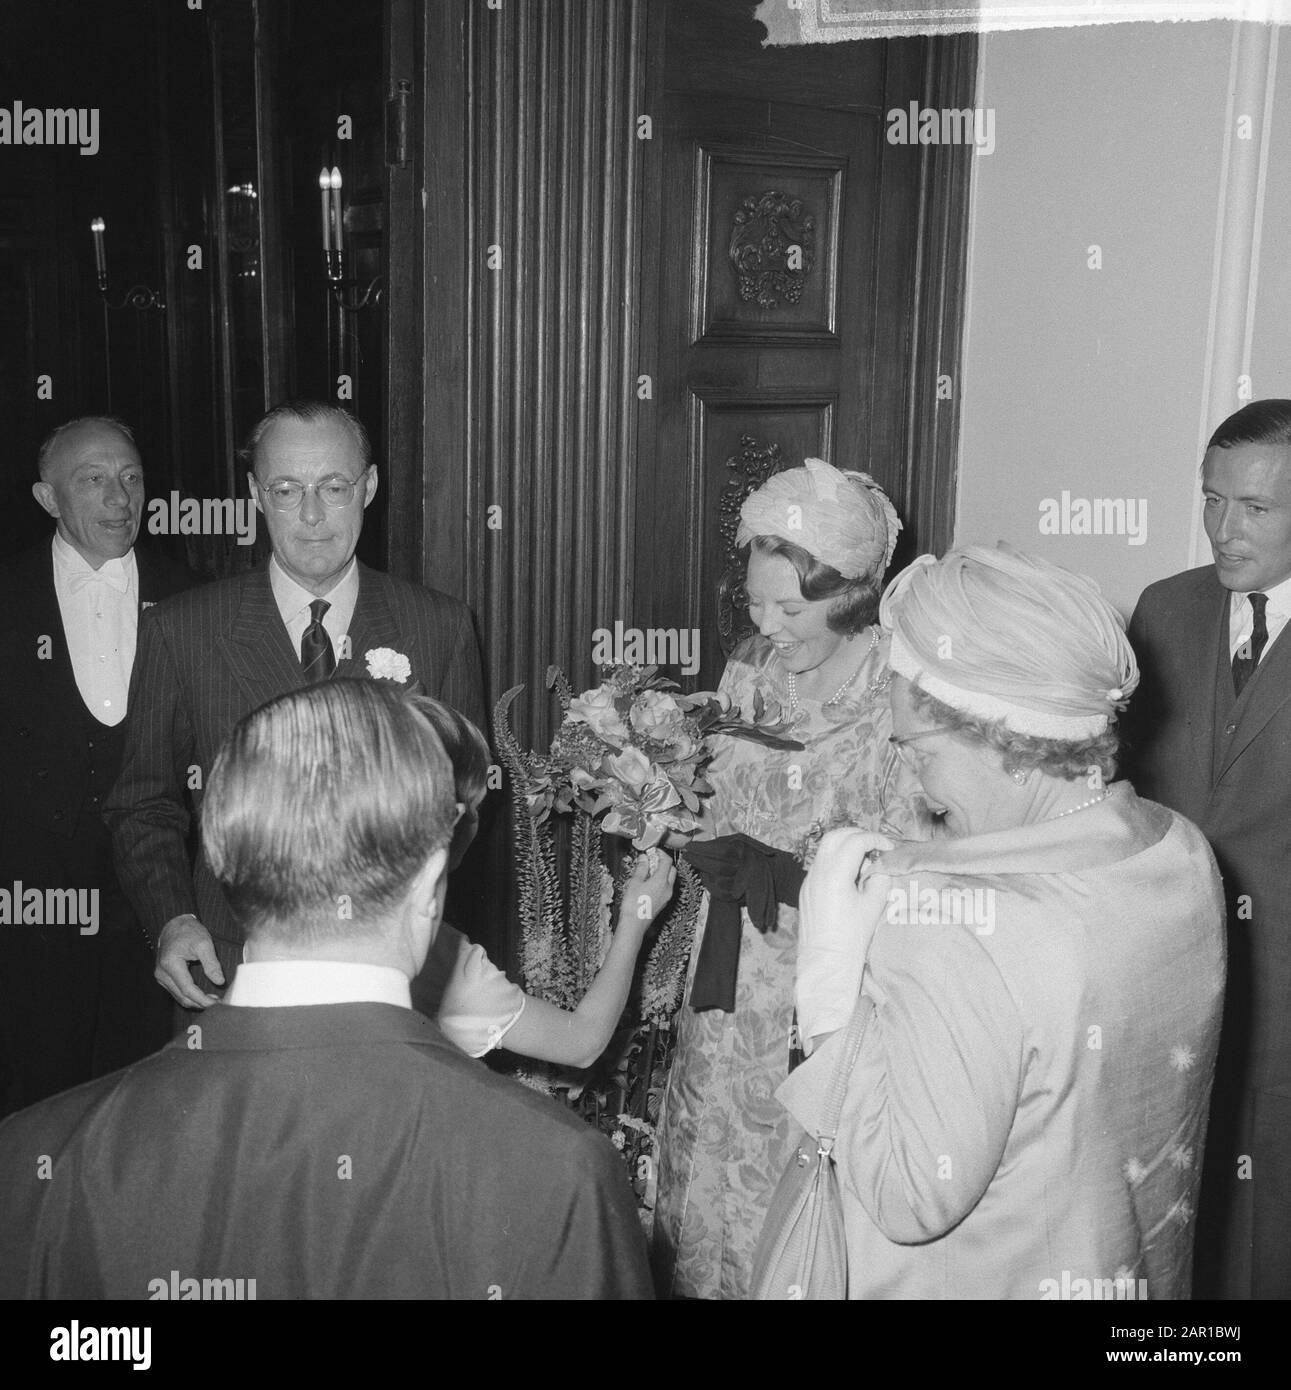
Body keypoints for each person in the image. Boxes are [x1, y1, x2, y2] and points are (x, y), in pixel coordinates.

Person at [0, 678, 651, 1299]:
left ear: (226, 865)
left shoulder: (34, 1156)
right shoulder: (555, 1172)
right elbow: (580, 1042)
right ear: (427, 888)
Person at [782, 545, 1226, 1300]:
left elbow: (904, 1197)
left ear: (1006, 745)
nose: (904, 776)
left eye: (915, 749)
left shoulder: (953, 929)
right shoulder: (1178, 851)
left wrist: (827, 998)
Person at [651, 457, 929, 1300]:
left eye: (791, 606)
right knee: (704, 1160)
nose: (766, 623)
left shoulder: (899, 693)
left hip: (826, 984)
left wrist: (797, 868)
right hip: (728, 969)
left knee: (796, 1177)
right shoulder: (745, 672)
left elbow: (913, 864)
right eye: (756, 600)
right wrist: (660, 806)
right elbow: (719, 803)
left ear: (848, 594)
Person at [104, 400, 485, 1013]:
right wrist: (172, 919)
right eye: (286, 489)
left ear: (370, 487)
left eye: (334, 487)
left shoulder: (440, 627)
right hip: (230, 972)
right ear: (256, 494)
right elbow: (142, 802)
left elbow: (466, 806)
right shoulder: (183, 630)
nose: (312, 515)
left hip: (393, 978)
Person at [1126, 399, 1291, 1300]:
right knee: (1166, 1209)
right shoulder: (1163, 608)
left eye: (1255, 510)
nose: (1224, 530)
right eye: (1211, 500)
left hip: (1287, 992)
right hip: (1171, 976)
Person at [0, 417, 195, 1118]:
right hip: (27, 911)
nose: (120, 497)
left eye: (131, 478)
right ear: (47, 498)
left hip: (157, 904)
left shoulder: (192, 597)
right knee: (33, 1100)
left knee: (144, 1102)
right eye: (93, 480)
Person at [409, 696, 675, 1067]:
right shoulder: (443, 958)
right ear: (457, 822)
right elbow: (582, 1043)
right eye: (475, 809)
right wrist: (634, 919)